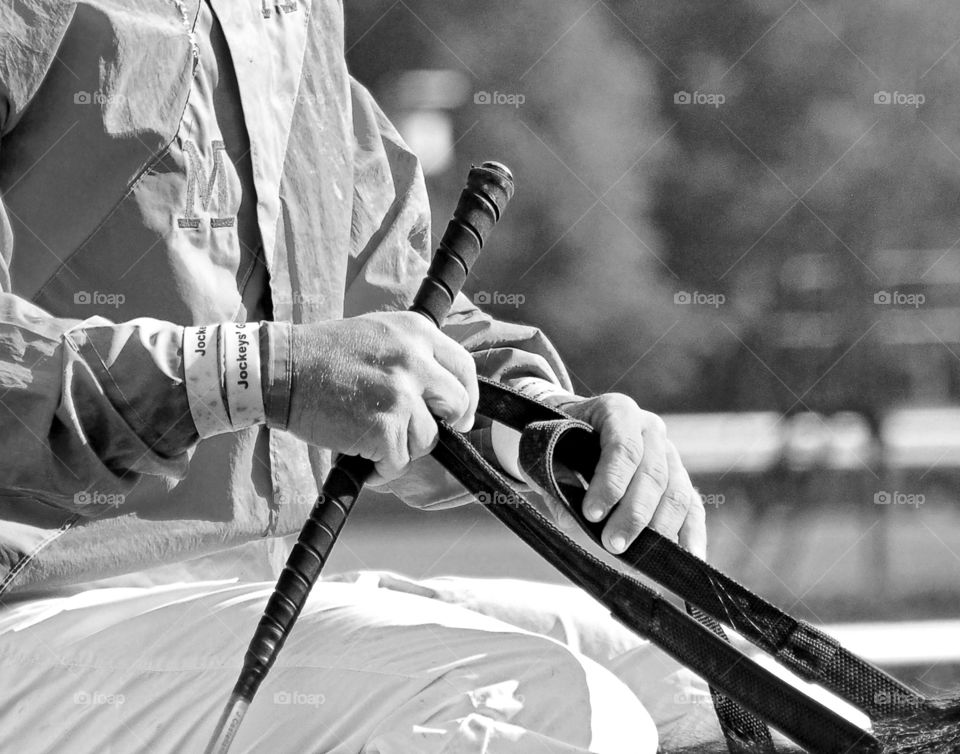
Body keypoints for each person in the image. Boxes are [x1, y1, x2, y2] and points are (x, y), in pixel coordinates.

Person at [0, 1, 708, 751]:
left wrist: (553, 434)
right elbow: (308, 365)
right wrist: (262, 374)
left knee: (691, 686)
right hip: (36, 602)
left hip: (236, 600)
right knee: (542, 707)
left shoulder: (291, 24)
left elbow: (399, 330)